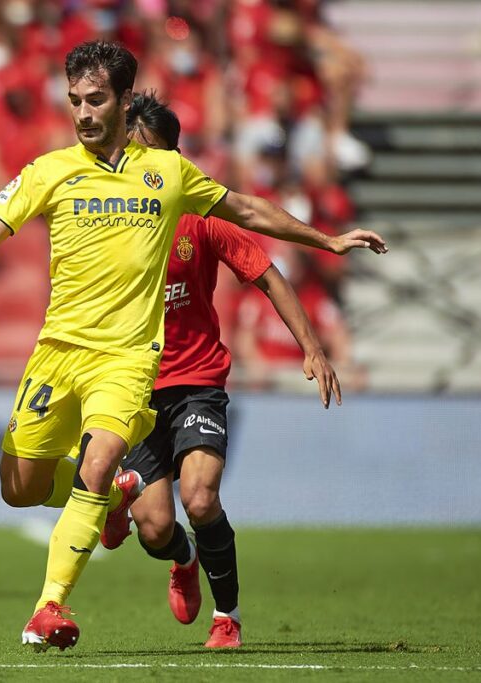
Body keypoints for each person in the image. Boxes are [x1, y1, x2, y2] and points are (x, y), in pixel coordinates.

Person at [0, 41, 385, 652]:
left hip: (132, 360)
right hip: (58, 352)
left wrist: (328, 240)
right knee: (19, 486)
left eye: (96, 100)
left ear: (123, 100)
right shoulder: (50, 170)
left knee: (125, 466)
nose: (82, 113)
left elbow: (246, 210)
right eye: (75, 100)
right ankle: (114, 496)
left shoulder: (168, 175)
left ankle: (49, 608)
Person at [98, 92, 345, 649]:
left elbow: (269, 274)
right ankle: (182, 557)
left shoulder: (201, 216)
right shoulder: (108, 221)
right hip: (134, 388)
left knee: (201, 499)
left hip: (196, 383)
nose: (144, 168)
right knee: (158, 528)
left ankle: (227, 616)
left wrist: (312, 346)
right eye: (132, 155)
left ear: (175, 160)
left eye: (154, 156)